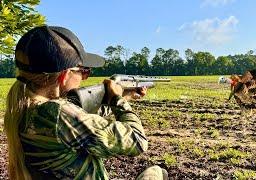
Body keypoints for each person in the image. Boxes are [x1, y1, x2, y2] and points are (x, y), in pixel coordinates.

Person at [4, 25, 167, 180]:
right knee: (156, 172)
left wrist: (125, 96)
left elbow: (83, 117)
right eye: (84, 72)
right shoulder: (60, 114)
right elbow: (137, 141)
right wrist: (118, 101)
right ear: (65, 75)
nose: (84, 78)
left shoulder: (23, 108)